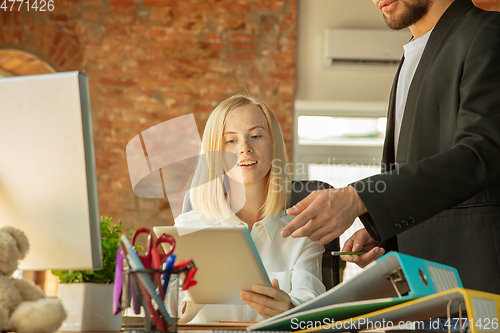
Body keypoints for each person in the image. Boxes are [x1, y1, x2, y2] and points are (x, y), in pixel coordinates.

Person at [281, 0, 500, 295]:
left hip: (476, 282)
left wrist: (360, 198)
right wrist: (386, 230)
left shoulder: (488, 31)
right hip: (424, 284)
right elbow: (423, 175)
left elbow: (481, 154)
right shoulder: (413, 55)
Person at [174, 94, 325, 323]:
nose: (245, 148)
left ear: (273, 145)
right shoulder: (187, 229)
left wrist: (290, 310)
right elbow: (157, 314)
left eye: (256, 136)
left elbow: (314, 310)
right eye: (231, 140)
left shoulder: (303, 233)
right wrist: (194, 295)